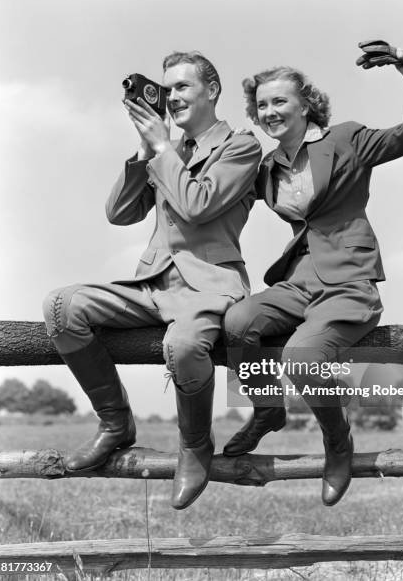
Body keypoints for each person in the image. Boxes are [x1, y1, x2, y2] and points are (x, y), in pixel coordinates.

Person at [42, 51, 261, 510]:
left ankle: (196, 444)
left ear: (212, 91)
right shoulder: (167, 149)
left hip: (210, 285)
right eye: (167, 89)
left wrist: (162, 149)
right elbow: (119, 213)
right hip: (153, 283)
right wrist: (146, 150)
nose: (172, 97)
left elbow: (198, 205)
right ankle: (115, 424)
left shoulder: (241, 147)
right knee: (61, 306)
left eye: (182, 87)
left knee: (182, 347)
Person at [222, 47, 403, 506]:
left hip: (348, 281)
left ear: (305, 104)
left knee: (301, 359)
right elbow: (213, 192)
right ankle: (266, 411)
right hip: (298, 280)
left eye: (279, 102)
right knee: (238, 322)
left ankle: (337, 441)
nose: (269, 112)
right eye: (262, 105)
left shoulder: (347, 140)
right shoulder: (266, 169)